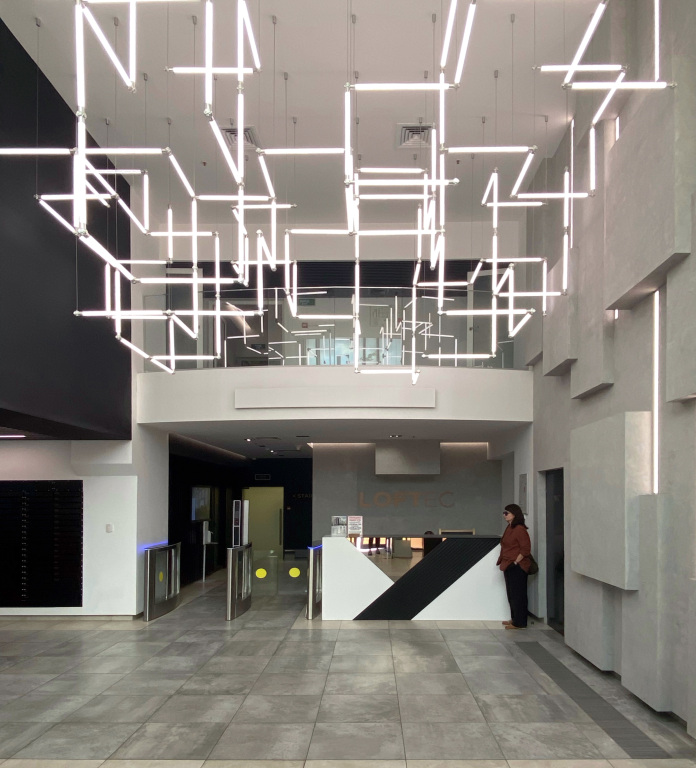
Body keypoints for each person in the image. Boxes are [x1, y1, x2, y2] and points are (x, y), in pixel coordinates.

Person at [497, 503, 532, 629]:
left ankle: (520, 622)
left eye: (507, 513)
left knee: (518, 594)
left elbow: (525, 549)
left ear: (514, 514)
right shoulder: (510, 527)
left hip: (517, 566)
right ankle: (515, 618)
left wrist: (516, 562)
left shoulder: (519, 529)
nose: (504, 515)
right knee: (511, 593)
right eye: (504, 513)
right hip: (508, 564)